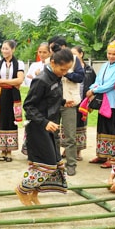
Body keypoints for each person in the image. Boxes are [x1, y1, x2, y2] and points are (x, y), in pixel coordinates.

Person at [15, 49, 75, 206]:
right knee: (47, 165)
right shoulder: (41, 80)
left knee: (52, 162)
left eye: (67, 70)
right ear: (53, 63)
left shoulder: (56, 77)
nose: (65, 73)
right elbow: (28, 106)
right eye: (63, 69)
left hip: (51, 126)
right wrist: (44, 122)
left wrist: (62, 102)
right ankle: (22, 190)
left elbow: (48, 99)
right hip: (38, 127)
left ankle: (33, 194)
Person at [49, 37, 84, 177]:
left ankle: (71, 165)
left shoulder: (74, 60)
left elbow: (80, 77)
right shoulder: (50, 61)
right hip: (54, 103)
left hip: (70, 101)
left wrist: (66, 72)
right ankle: (56, 163)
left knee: (70, 136)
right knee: (54, 134)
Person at [87, 39, 115, 167]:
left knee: (112, 129)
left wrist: (94, 90)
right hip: (103, 102)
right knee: (101, 127)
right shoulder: (105, 65)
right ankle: (101, 155)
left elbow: (111, 84)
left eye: (114, 54)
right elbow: (98, 80)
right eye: (109, 53)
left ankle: (112, 157)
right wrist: (92, 88)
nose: (111, 56)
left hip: (113, 102)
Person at [0, 40, 24, 162]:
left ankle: (9, 151)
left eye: (7, 48)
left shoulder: (19, 63)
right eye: (3, 48)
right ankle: (2, 149)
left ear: (13, 49)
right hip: (1, 95)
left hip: (13, 95)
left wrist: (2, 81)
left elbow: (20, 80)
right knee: (1, 119)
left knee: (12, 119)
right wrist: (11, 82)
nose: (4, 51)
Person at [70, 46, 96, 161]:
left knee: (81, 125)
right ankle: (67, 149)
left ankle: (78, 151)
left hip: (83, 102)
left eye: (75, 53)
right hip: (70, 100)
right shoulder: (68, 67)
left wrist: (91, 99)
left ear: (81, 54)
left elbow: (95, 84)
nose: (73, 56)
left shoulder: (89, 69)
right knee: (69, 125)